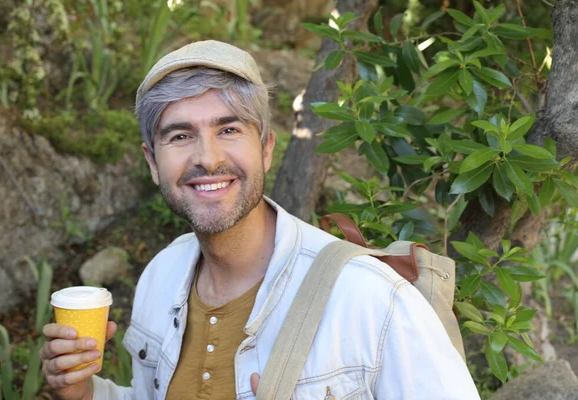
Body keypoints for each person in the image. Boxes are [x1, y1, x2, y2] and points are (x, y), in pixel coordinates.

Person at [39, 40, 480, 399]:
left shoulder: (372, 300)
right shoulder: (161, 276)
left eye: (229, 129)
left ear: (266, 148)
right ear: (153, 163)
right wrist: (84, 392)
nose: (207, 158)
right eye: (180, 135)